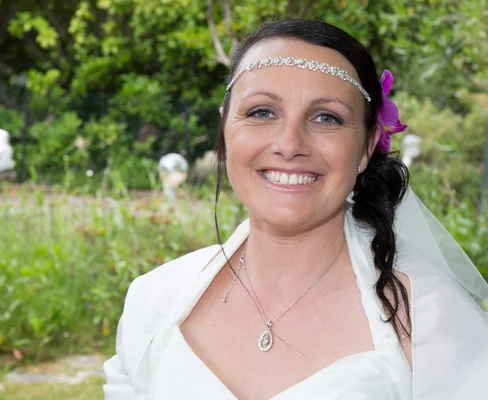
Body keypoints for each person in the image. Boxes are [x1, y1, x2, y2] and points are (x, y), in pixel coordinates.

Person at [103, 18, 488, 399]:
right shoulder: (153, 301)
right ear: (225, 128)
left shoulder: (432, 321)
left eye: (326, 118)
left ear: (368, 146)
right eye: (262, 112)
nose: (289, 144)